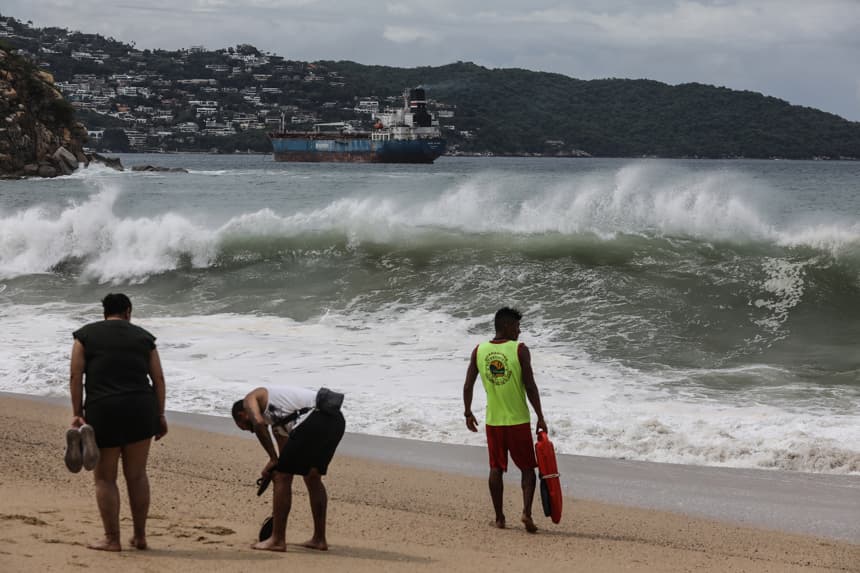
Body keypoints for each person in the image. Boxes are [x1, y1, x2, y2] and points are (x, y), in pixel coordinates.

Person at [69, 293, 168, 551]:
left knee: (105, 479)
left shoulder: (84, 336)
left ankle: (112, 539)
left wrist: (77, 412)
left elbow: (75, 375)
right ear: (128, 311)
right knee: (136, 475)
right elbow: (158, 379)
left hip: (104, 410)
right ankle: (140, 536)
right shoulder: (145, 338)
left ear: (104, 313)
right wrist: (160, 415)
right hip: (140, 409)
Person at [462, 306, 547, 533]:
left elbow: (468, 385)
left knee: (495, 468)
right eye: (517, 327)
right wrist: (540, 416)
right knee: (528, 469)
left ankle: (500, 518)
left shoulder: (479, 350)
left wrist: (468, 412)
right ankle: (526, 513)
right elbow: (530, 386)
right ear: (508, 326)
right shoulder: (519, 350)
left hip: (494, 422)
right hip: (518, 421)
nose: (519, 331)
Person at [232, 385, 346, 552]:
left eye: (245, 426)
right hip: (335, 421)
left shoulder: (251, 398)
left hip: (314, 417)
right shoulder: (279, 424)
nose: (250, 432)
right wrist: (272, 466)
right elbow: (285, 461)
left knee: (282, 476)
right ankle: (319, 539)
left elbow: (258, 424)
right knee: (312, 476)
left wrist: (273, 461)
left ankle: (277, 540)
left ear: (242, 414)